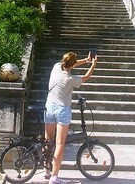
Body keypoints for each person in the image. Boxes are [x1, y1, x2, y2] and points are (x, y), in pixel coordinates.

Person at [44, 51, 97, 184]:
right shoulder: (70, 79)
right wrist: (93, 64)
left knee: (47, 140)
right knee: (59, 144)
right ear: (72, 65)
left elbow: (68, 64)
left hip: (49, 107)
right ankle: (54, 178)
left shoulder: (56, 67)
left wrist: (85, 60)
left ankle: (47, 170)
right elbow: (86, 77)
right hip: (62, 110)